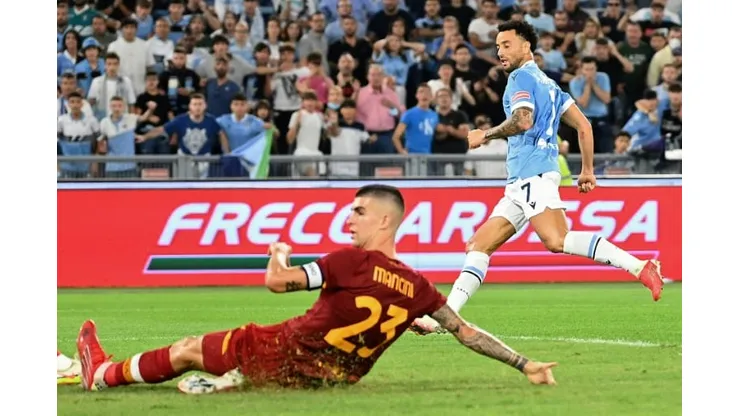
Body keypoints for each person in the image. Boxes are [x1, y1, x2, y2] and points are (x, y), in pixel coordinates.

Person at [76, 185, 558, 393]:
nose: (350, 219)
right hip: (335, 377)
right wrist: (525, 364)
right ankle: (231, 383)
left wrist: (278, 252)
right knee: (244, 369)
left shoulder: (349, 261)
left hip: (280, 352)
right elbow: (466, 332)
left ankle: (102, 375)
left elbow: (276, 283)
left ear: (385, 220)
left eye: (359, 212)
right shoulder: (418, 288)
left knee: (186, 349)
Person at [412, 21, 664, 334]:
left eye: (506, 45)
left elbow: (522, 120)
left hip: (532, 174)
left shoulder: (520, 77)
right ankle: (442, 320)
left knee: (557, 240)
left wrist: (485, 134)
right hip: (522, 181)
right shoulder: (551, 85)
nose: (500, 52)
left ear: (526, 46)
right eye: (498, 46)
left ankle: (639, 266)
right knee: (478, 245)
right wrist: (587, 170)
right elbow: (584, 126)